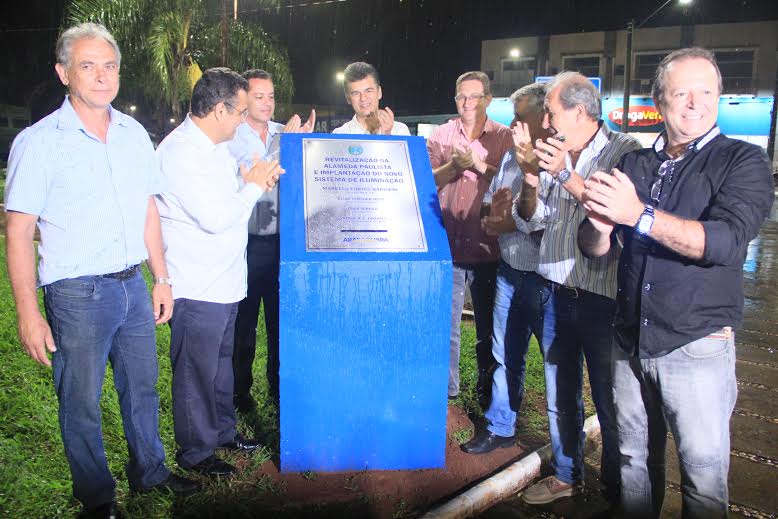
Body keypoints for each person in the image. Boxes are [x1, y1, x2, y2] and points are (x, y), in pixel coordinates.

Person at [4, 22, 199, 518]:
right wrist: (28, 312)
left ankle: (151, 472)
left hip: (132, 284)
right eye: (87, 66)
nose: (101, 76)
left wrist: (162, 276)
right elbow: (19, 229)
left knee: (142, 388)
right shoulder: (39, 141)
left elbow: (148, 209)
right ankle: (97, 497)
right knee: (82, 401)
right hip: (75, 293)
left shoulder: (134, 134)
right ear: (63, 73)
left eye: (108, 65)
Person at [578, 47, 774, 518]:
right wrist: (602, 226)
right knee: (631, 462)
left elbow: (725, 243)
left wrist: (637, 215)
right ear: (659, 101)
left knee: (703, 477)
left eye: (706, 91)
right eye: (681, 92)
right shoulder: (636, 165)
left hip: (696, 344)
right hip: (628, 342)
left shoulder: (741, 162)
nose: (695, 102)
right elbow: (596, 249)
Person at [514, 72, 641, 505]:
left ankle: (616, 490)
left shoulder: (626, 152)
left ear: (580, 111)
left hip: (603, 301)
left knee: (611, 403)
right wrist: (532, 179)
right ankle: (568, 475)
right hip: (553, 292)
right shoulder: (553, 155)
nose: (546, 121)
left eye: (551, 112)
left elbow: (618, 214)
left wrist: (566, 173)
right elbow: (532, 220)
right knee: (559, 394)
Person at [156, 67, 283, 477]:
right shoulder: (180, 153)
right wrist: (253, 186)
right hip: (197, 285)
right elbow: (216, 217)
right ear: (218, 109)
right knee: (196, 373)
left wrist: (247, 179)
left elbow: (231, 196)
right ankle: (196, 452)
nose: (244, 119)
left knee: (221, 366)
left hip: (226, 281)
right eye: (240, 111)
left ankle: (223, 433)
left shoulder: (216, 148)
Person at [461, 82, 549, 453]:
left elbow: (548, 219)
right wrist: (491, 216)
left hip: (548, 280)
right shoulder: (513, 156)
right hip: (510, 271)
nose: (514, 124)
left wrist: (506, 220)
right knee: (503, 355)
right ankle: (500, 426)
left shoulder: (558, 157)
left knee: (558, 369)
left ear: (545, 119)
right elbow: (493, 199)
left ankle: (567, 456)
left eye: (521, 117)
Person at [228, 69, 315, 412]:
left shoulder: (284, 131)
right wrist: (285, 147)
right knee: (244, 323)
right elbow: (254, 176)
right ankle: (240, 393)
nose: (266, 103)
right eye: (259, 96)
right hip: (248, 243)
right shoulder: (233, 137)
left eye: (271, 96)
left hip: (285, 243)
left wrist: (304, 145)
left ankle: (281, 392)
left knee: (282, 321)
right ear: (245, 99)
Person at [427, 71, 513, 404]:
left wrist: (479, 165)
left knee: (490, 331)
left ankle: (487, 392)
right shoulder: (441, 134)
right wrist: (452, 167)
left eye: (474, 96)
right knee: (445, 328)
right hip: (448, 245)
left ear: (488, 99)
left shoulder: (503, 138)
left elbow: (511, 186)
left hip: (488, 248)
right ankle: (448, 393)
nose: (467, 103)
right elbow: (427, 181)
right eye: (461, 96)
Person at [332, 61, 410, 135]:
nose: (363, 98)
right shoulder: (340, 134)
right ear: (348, 99)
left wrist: (386, 136)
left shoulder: (399, 130)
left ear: (379, 92)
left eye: (368, 91)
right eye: (356, 93)